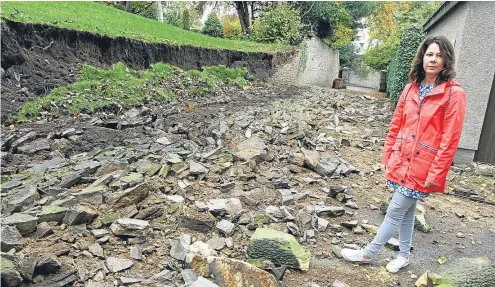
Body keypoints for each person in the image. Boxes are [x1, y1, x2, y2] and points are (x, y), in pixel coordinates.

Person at [340, 35, 467, 273]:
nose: (433, 60)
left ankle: (369, 252)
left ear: (446, 60)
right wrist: (389, 155)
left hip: (424, 166)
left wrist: (437, 172)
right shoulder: (410, 88)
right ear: (421, 58)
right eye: (429, 54)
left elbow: (450, 139)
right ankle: (404, 255)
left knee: (395, 210)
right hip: (402, 160)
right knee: (407, 212)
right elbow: (396, 124)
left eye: (439, 55)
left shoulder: (453, 94)